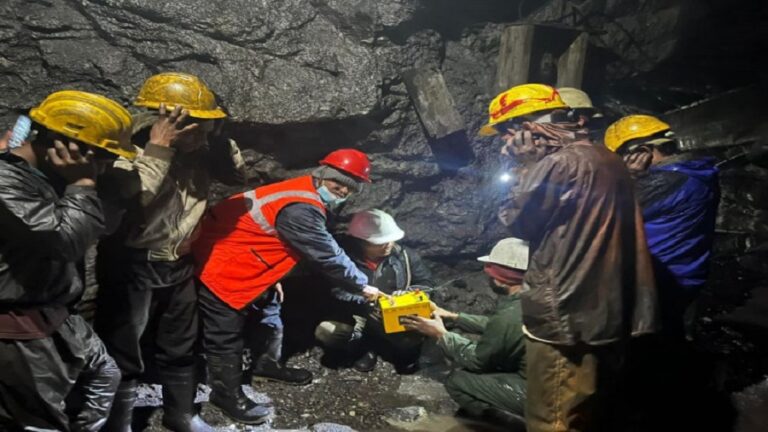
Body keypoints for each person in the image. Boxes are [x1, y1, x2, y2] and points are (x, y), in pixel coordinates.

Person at [479, 83, 660, 432]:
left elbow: (519, 222)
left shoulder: (559, 164)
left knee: (552, 418)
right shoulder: (604, 157)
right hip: (604, 311)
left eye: (505, 133)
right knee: (584, 412)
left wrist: (527, 167)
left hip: (566, 315)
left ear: (524, 127)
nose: (504, 145)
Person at [94, 72, 241, 432]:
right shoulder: (125, 152)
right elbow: (135, 198)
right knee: (122, 349)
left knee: (181, 345)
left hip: (177, 262)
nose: (203, 137)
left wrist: (219, 138)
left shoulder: (197, 154)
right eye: (198, 129)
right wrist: (159, 148)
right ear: (172, 122)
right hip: (133, 263)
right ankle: (117, 424)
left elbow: (237, 178)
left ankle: (181, 415)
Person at [192, 149, 382, 423]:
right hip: (225, 266)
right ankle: (226, 394)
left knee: (269, 309)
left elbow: (268, 235)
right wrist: (362, 286)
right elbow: (328, 255)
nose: (342, 191)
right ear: (322, 176)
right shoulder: (301, 207)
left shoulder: (302, 191)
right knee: (225, 333)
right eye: (337, 183)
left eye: (350, 188)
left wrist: (273, 277)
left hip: (250, 259)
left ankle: (265, 364)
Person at [0, 90, 134, 431]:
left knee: (104, 376)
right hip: (18, 326)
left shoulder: (49, 179)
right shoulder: (5, 182)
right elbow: (64, 241)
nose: (105, 168)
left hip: (54, 311)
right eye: (102, 158)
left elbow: (102, 225)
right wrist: (83, 182)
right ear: (66, 147)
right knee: (39, 420)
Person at [604, 114, 720, 337]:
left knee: (645, 343)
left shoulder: (664, 182)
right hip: (687, 271)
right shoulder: (698, 171)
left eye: (620, 157)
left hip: (659, 279)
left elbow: (608, 212)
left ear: (642, 152)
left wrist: (630, 177)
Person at [402, 237, 528, 431]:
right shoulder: (534, 297)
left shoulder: (510, 315)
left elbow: (477, 361)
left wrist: (441, 335)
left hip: (539, 392)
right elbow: (499, 327)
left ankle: (516, 425)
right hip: (557, 380)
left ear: (500, 278)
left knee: (457, 381)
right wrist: (453, 316)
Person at [314, 209, 434, 373]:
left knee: (409, 341)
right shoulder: (344, 261)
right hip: (358, 316)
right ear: (361, 242)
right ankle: (365, 347)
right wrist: (363, 297)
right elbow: (333, 289)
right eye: (380, 243)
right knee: (327, 331)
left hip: (394, 313)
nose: (388, 245)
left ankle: (395, 349)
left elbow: (426, 282)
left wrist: (409, 294)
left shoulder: (404, 256)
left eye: (390, 240)